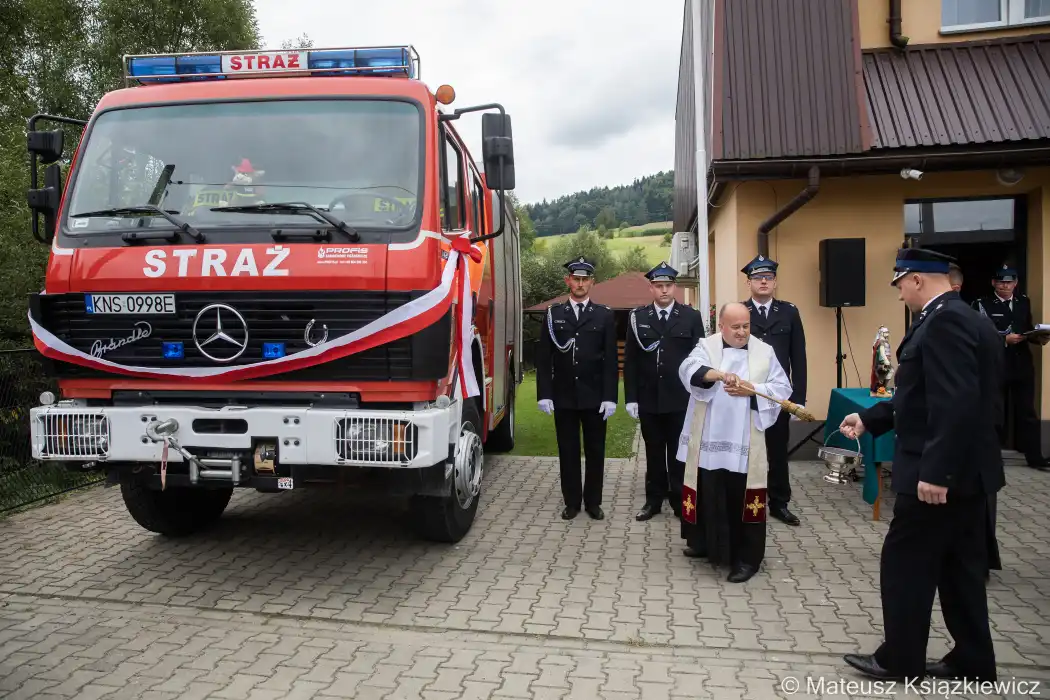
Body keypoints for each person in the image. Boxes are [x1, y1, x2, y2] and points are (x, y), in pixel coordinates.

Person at [839, 247, 1004, 682]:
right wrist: (871, 418)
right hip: (969, 475)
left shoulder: (945, 322)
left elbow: (955, 403)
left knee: (905, 566)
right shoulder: (966, 317)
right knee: (960, 571)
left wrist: (936, 472)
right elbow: (922, 395)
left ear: (916, 279)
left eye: (900, 284)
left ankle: (900, 659)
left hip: (939, 477)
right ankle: (973, 660)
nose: (899, 294)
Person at [676, 302, 792, 583]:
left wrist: (754, 389)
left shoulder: (764, 351)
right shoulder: (707, 346)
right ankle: (705, 543)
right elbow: (688, 369)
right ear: (722, 326)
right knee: (709, 489)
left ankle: (747, 559)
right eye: (735, 327)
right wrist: (717, 374)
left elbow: (782, 388)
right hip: (710, 436)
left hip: (744, 439)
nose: (742, 332)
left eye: (746, 326)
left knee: (741, 495)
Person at [536, 257, 618, 520]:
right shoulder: (554, 314)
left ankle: (593, 502)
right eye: (576, 279)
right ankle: (571, 502)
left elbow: (610, 360)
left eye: (585, 279)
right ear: (568, 281)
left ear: (592, 282)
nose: (580, 284)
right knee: (568, 451)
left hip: (595, 396)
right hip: (564, 395)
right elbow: (544, 357)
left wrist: (610, 397)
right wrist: (544, 394)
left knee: (596, 451)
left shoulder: (604, 315)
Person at [624, 262, 705, 521]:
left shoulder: (691, 317)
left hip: (681, 398)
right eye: (658, 286)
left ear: (675, 287)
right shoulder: (638, 317)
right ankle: (653, 501)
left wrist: (700, 393)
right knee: (654, 453)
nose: (664, 290)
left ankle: (680, 501)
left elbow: (701, 358)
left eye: (668, 285)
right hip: (649, 398)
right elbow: (631, 360)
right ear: (651, 288)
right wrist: (631, 398)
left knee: (680, 453)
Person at [741, 255, 806, 526]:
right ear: (749, 283)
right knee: (747, 451)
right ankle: (746, 500)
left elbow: (798, 357)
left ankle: (780, 503)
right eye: (758, 277)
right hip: (748, 394)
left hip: (778, 395)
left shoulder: (789, 312)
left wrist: (798, 399)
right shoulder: (740, 312)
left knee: (778, 452)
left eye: (768, 277)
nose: (764, 282)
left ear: (775, 282)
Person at [972, 264, 1050, 470]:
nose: (1005, 286)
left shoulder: (1023, 302)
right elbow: (977, 335)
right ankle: (990, 457)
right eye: (1001, 282)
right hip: (996, 364)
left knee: (1027, 412)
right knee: (994, 411)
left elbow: (1026, 328)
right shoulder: (982, 304)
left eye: (1009, 282)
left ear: (1015, 283)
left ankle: (1035, 458)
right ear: (993, 283)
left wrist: (1038, 337)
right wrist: (1003, 340)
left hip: (1021, 365)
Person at [951, 263, 1002, 575]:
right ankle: (978, 561)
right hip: (979, 425)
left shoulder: (961, 323)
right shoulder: (975, 320)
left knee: (974, 501)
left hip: (972, 428)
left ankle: (976, 564)